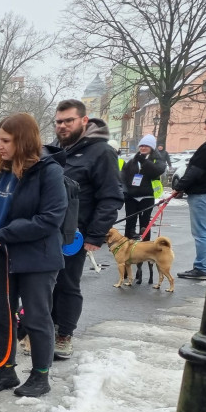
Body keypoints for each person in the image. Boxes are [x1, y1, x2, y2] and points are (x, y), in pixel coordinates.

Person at [0, 114, 68, 397]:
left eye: (5, 140)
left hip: (37, 257)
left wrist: (5, 233)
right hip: (2, 256)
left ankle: (40, 375)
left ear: (23, 141)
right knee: (1, 316)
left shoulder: (48, 171)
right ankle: (5, 369)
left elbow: (50, 218)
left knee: (36, 317)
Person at [44, 99, 123, 359]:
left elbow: (111, 197)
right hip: (47, 230)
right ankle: (45, 330)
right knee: (45, 284)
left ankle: (64, 334)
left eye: (69, 121)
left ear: (84, 121)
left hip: (75, 235)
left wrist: (95, 235)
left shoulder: (101, 152)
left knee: (67, 285)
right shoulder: (55, 150)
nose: (63, 126)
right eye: (59, 121)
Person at [174, 107, 206, 280]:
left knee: (202, 232)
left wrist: (179, 187)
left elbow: (196, 169)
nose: (204, 128)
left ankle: (203, 267)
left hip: (203, 192)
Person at [120, 133, 166, 244]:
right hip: (132, 197)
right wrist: (124, 191)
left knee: (145, 224)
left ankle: (145, 247)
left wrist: (144, 161)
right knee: (130, 222)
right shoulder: (133, 160)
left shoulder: (157, 160)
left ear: (151, 147)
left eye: (146, 146)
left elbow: (156, 172)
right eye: (141, 146)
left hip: (147, 196)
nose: (143, 148)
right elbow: (123, 175)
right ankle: (128, 245)